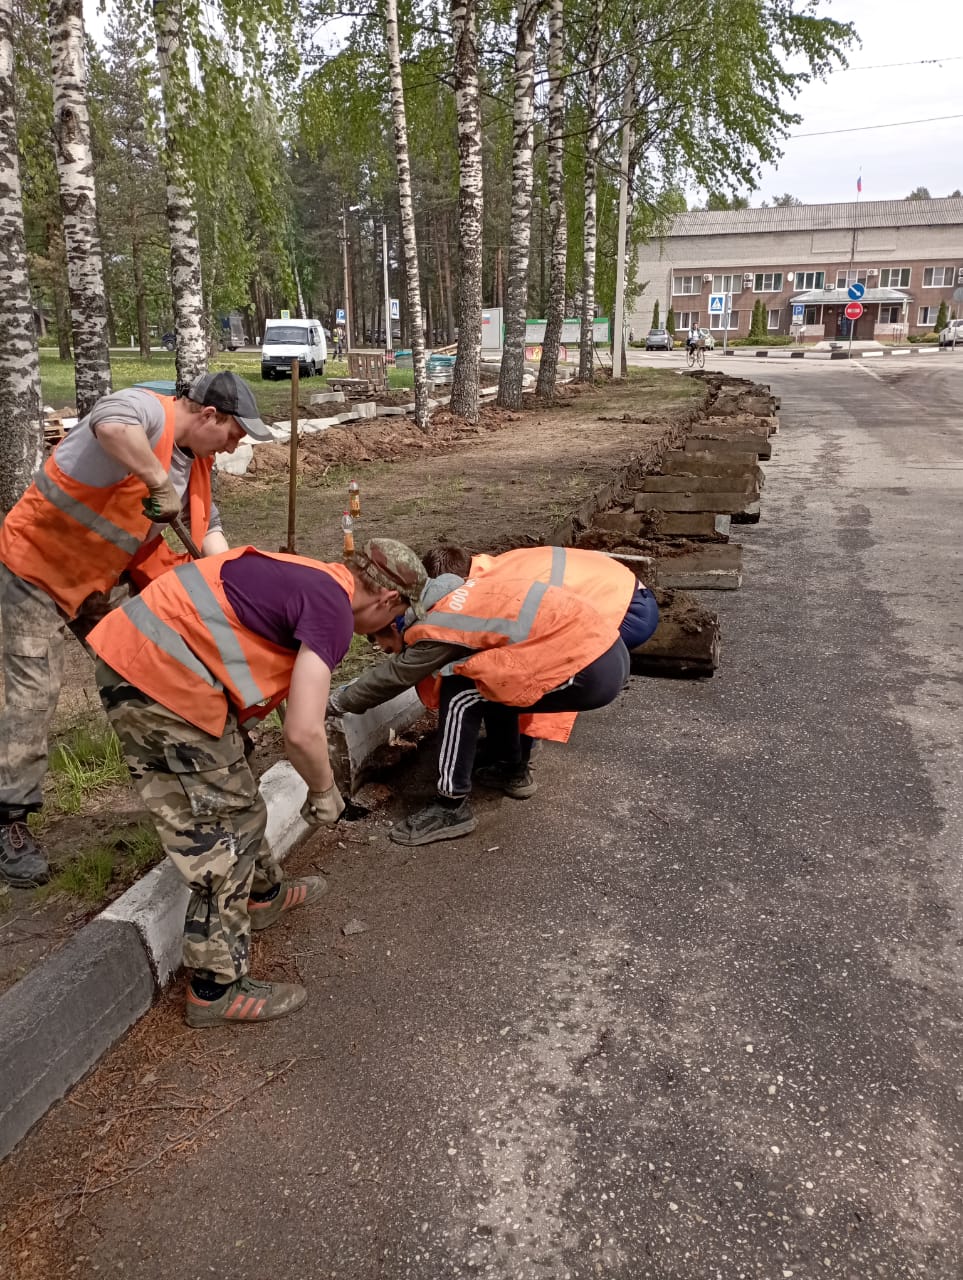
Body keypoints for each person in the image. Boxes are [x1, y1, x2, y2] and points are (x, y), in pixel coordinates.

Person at [87, 537, 428, 1027]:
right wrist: (324, 791)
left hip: (158, 661)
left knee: (240, 801)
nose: (378, 638)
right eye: (391, 626)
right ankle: (215, 988)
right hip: (158, 679)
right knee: (221, 827)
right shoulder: (333, 610)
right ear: (387, 599)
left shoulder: (317, 574)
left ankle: (262, 896)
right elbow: (302, 733)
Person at [0, 370, 273, 888]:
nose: (236, 445)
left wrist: (242, 589)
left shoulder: (197, 462)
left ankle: (183, 778)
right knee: (35, 691)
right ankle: (9, 821)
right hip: (34, 569)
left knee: (145, 672)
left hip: (93, 582)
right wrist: (154, 480)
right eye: (235, 433)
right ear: (209, 415)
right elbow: (108, 422)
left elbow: (207, 532)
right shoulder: (148, 412)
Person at [330, 552, 633, 847]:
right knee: (490, 679)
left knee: (461, 691)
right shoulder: (456, 590)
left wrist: (335, 702)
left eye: (386, 645)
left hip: (588, 666)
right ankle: (510, 767)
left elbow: (395, 676)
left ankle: (451, 807)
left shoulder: (437, 626)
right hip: (603, 647)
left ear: (396, 623)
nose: (393, 652)